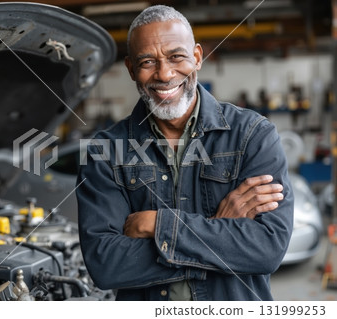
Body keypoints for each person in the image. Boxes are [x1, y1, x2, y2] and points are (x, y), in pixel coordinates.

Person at [76, 5, 293, 301]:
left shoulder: (253, 135)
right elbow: (106, 265)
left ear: (197, 57)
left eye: (176, 57)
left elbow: (267, 249)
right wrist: (220, 233)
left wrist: (158, 225)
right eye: (148, 62)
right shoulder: (105, 151)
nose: (164, 74)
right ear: (130, 69)